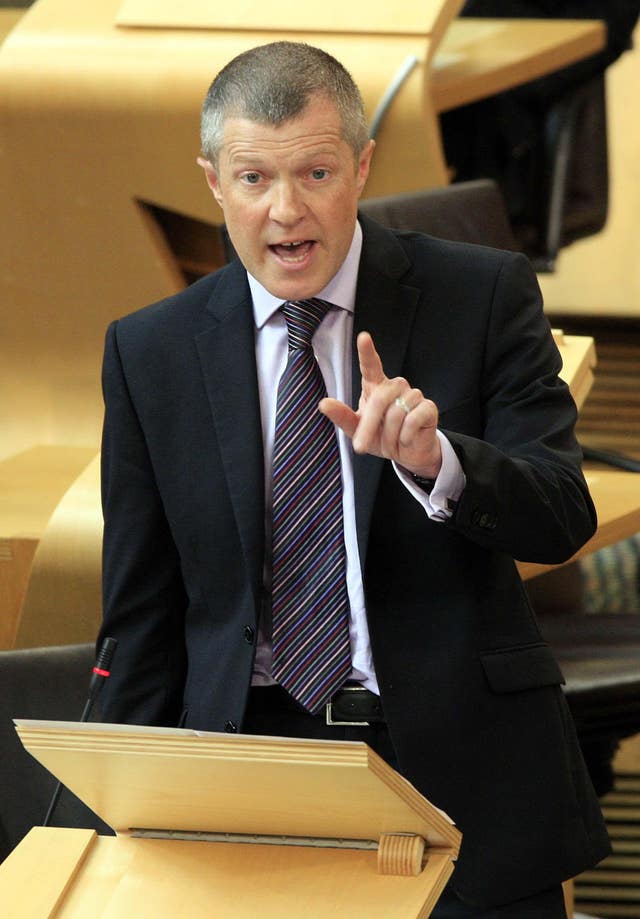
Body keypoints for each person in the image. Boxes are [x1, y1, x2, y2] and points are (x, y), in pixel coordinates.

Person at [98, 41, 610, 917]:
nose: (285, 211)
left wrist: (437, 460)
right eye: (253, 179)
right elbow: (142, 617)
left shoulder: (480, 293)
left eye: (317, 173)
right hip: (245, 768)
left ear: (363, 167)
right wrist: (107, 826)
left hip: (451, 763)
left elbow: (562, 512)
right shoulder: (151, 350)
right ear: (214, 182)